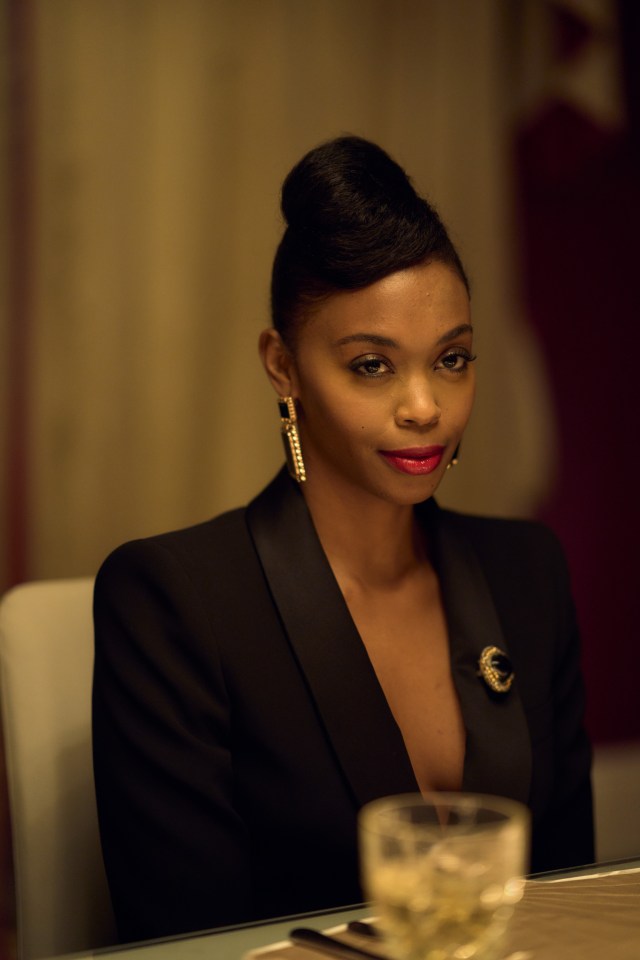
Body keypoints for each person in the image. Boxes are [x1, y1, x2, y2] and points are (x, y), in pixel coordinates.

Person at [92, 136, 594, 944]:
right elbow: (188, 940)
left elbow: (575, 902)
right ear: (283, 367)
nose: (425, 406)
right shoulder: (173, 599)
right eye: (372, 366)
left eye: (452, 359)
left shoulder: (527, 573)